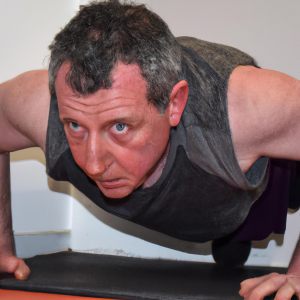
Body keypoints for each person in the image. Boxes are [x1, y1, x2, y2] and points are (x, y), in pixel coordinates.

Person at [0, 0, 300, 299]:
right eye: (75, 125)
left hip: (243, 172)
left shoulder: (248, 109)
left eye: (119, 127)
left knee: (268, 190)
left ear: (175, 104)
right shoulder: (37, 103)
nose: (93, 165)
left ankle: (238, 228)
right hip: (202, 187)